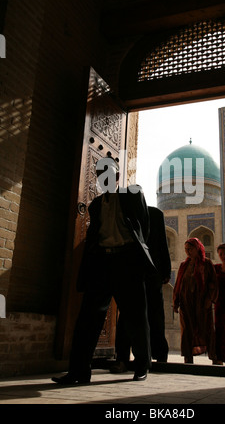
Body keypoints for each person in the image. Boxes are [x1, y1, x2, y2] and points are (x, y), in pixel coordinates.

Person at [52, 156, 156, 384]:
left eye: (107, 175)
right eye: (100, 176)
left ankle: (141, 366)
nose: (103, 179)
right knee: (88, 318)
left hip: (127, 262)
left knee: (135, 316)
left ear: (117, 176)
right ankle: (79, 371)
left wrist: (135, 259)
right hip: (102, 264)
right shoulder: (96, 205)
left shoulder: (133, 194)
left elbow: (144, 229)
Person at [112, 205, 172, 372]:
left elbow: (162, 242)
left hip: (152, 272)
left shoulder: (154, 214)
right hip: (131, 271)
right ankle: (122, 358)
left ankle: (159, 358)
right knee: (127, 316)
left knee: (154, 315)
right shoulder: (124, 212)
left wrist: (166, 270)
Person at [173, 238, 218, 364]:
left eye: (190, 249)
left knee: (206, 328)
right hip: (186, 302)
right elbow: (178, 284)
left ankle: (214, 356)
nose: (188, 251)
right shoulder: (184, 265)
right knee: (187, 330)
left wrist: (210, 299)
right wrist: (176, 302)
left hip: (202, 303)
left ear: (197, 248)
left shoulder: (206, 263)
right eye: (186, 249)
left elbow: (213, 283)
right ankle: (188, 358)